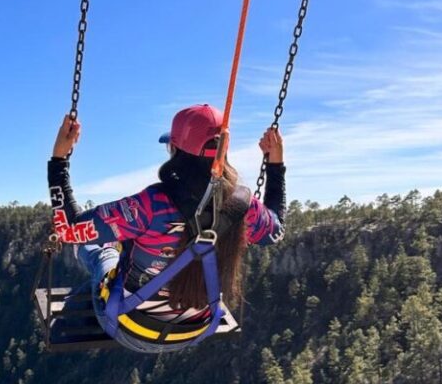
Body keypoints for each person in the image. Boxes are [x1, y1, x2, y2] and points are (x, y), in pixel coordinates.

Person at [47, 104, 286, 353]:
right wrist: (275, 165)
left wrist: (59, 159)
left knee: (102, 250)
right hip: (197, 328)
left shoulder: (151, 205)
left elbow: (68, 229)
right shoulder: (244, 205)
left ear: (175, 149)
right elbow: (275, 231)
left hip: (129, 326)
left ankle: (96, 255)